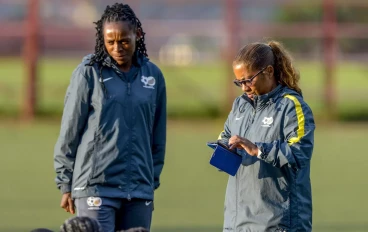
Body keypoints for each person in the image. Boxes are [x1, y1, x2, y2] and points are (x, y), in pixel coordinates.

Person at [54, 3, 166, 232]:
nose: (117, 47)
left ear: (138, 34)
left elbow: (157, 134)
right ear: (101, 39)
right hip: (96, 187)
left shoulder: (153, 76)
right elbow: (70, 130)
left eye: (124, 40)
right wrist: (65, 182)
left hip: (138, 190)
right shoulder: (88, 72)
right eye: (110, 41)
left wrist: (150, 179)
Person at [217, 40, 315, 231]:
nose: (244, 87)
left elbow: (299, 152)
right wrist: (223, 149)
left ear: (269, 71)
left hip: (277, 223)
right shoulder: (240, 105)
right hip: (237, 222)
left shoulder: (291, 106)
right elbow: (225, 136)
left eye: (248, 80)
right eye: (239, 82)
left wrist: (257, 149)